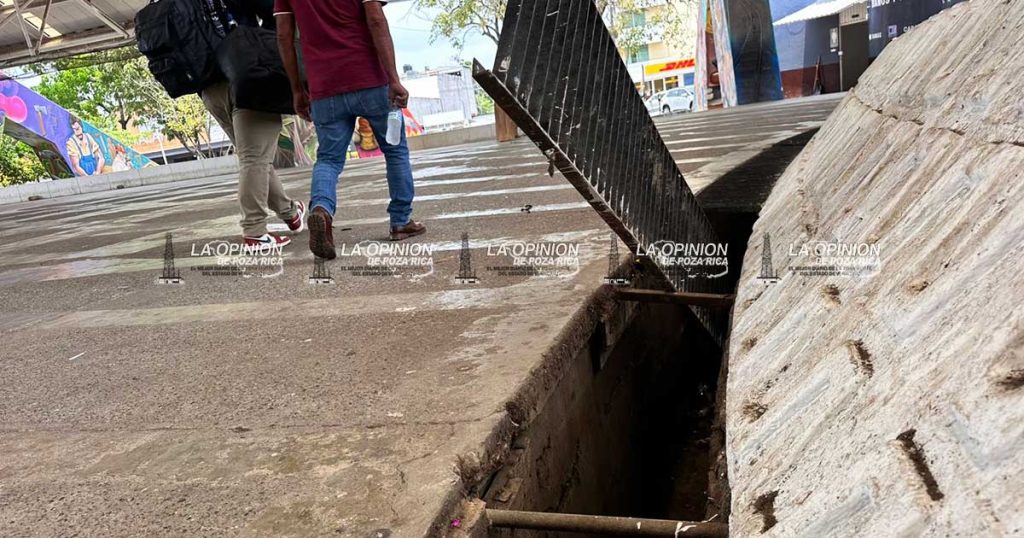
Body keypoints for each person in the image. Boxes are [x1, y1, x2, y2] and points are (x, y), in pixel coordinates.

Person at [275, 0, 425, 260]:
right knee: (395, 151)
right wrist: (394, 79)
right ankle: (401, 221)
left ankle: (321, 210)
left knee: (328, 159)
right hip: (371, 79)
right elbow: (376, 20)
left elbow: (283, 37)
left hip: (324, 87)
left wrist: (297, 89)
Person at [200, 0, 305, 248]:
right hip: (246, 75)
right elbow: (278, 14)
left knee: (256, 157)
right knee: (255, 159)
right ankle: (255, 231)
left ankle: (290, 212)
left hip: (208, 88)